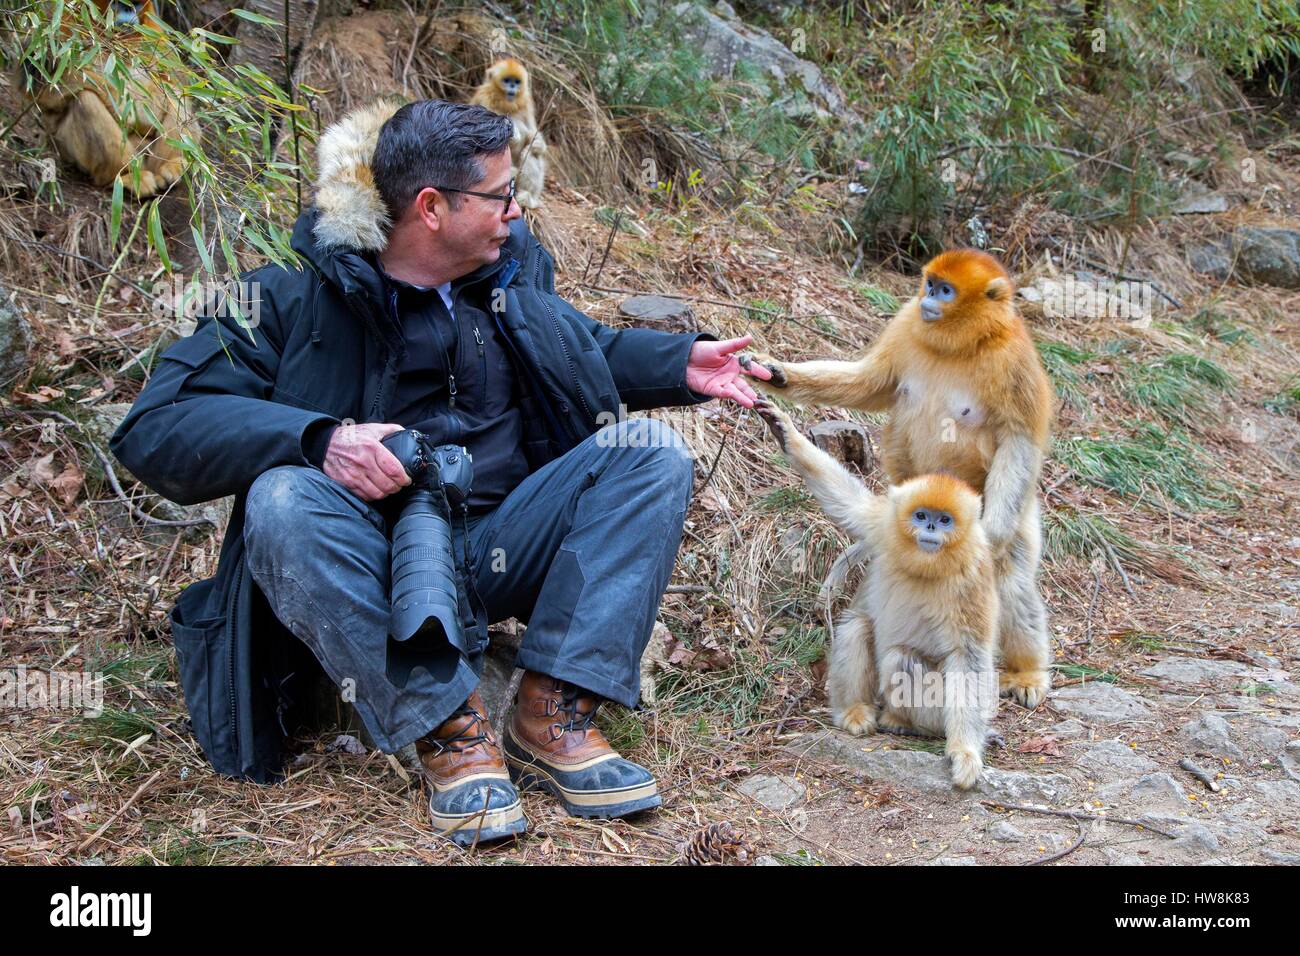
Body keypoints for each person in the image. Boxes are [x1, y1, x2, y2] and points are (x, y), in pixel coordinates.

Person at [110, 98, 770, 846]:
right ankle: (449, 731)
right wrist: (318, 437)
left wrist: (682, 362)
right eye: (500, 196)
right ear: (431, 207)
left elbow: (578, 346)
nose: (516, 213)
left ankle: (548, 715)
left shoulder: (508, 276)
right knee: (282, 497)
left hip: (502, 545)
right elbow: (156, 424)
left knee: (649, 453)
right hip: (374, 570)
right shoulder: (290, 296)